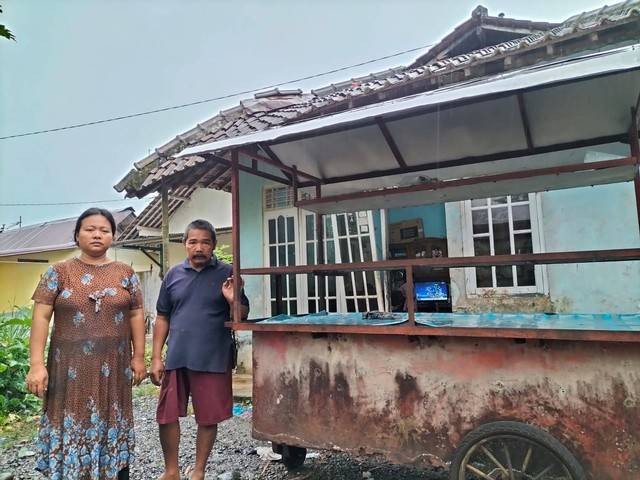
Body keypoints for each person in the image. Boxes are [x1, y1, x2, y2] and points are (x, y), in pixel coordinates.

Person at [26, 207, 147, 480]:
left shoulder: (125, 274)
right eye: (90, 229)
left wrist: (139, 356)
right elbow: (42, 317)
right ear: (77, 235)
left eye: (104, 230)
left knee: (112, 418)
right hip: (68, 370)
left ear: (113, 237)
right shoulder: (59, 272)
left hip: (114, 368)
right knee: (71, 420)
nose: (97, 235)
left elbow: (137, 314)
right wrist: (35, 364)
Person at [150, 219, 249, 480]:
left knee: (207, 418)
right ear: (184, 245)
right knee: (166, 415)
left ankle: (199, 471)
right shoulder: (172, 275)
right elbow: (162, 317)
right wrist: (156, 357)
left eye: (205, 241)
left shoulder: (228, 273)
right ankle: (171, 470)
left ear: (214, 245)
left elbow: (242, 317)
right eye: (193, 241)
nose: (199, 247)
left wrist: (232, 299)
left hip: (213, 357)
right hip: (177, 356)